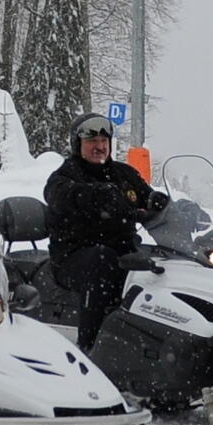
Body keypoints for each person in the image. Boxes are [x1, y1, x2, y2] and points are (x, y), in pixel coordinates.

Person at [44, 113, 169, 351]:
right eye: (92, 142)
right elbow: (61, 196)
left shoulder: (123, 174)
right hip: (74, 257)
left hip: (123, 252)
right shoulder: (63, 178)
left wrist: (167, 206)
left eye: (104, 141)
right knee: (102, 260)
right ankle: (90, 347)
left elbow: (147, 196)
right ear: (77, 144)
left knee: (163, 264)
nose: (99, 147)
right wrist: (97, 197)